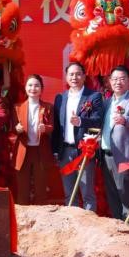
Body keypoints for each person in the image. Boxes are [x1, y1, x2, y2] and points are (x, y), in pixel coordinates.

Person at [52, 62, 103, 210]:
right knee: (69, 194)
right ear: (66, 77)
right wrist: (55, 150)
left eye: (78, 74)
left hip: (84, 151)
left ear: (84, 76)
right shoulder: (60, 98)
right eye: (71, 74)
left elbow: (98, 120)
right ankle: (71, 223)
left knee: (87, 193)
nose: (74, 77)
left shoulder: (93, 96)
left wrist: (80, 121)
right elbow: (57, 127)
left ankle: (89, 222)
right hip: (65, 152)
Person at [100, 65, 129, 226]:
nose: (118, 82)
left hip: (124, 157)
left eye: (122, 79)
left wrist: (124, 120)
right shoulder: (106, 103)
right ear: (109, 82)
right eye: (114, 79)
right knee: (112, 195)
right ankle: (117, 230)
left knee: (126, 196)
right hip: (106, 155)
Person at [11, 74, 54, 204]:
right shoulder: (17, 107)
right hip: (23, 151)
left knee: (41, 189)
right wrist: (17, 129)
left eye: (36, 86)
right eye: (30, 85)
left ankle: (41, 215)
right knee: (22, 189)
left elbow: (52, 127)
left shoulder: (48, 107)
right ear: (25, 88)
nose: (33, 88)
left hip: (40, 151)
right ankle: (22, 216)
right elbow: (12, 129)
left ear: (42, 89)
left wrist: (45, 128)